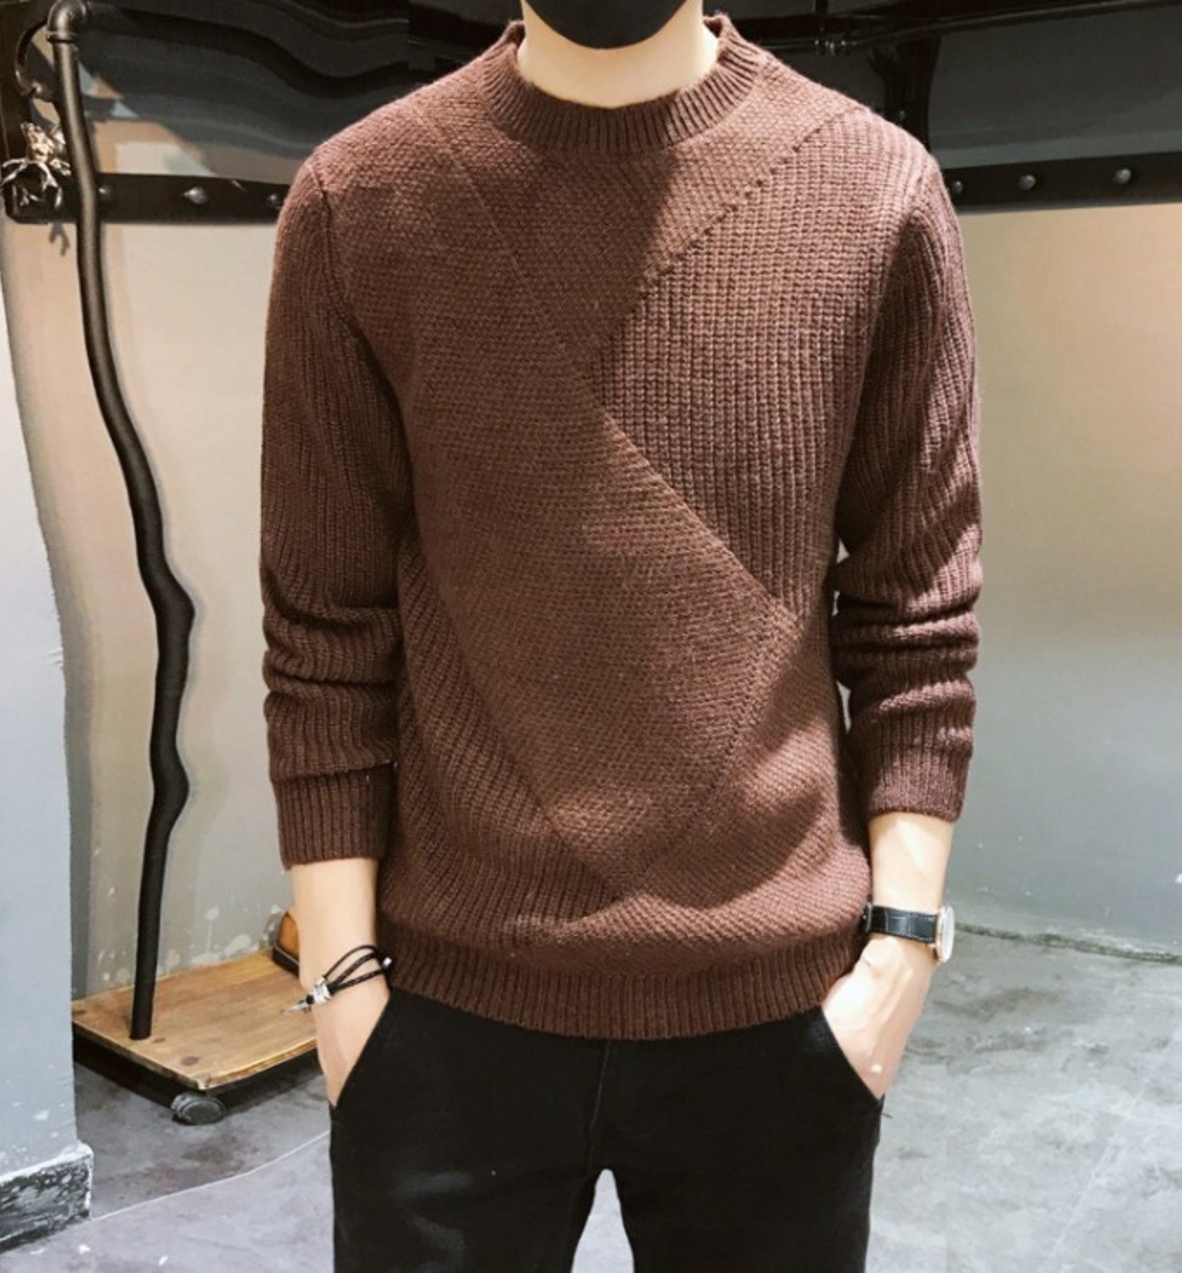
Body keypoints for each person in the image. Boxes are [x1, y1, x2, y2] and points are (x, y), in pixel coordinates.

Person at [258, 1, 982, 1269]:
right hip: (440, 1019)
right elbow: (322, 624)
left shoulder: (874, 189)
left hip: (781, 1019)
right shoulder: (361, 200)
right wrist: (343, 986)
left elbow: (916, 607)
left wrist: (899, 957)